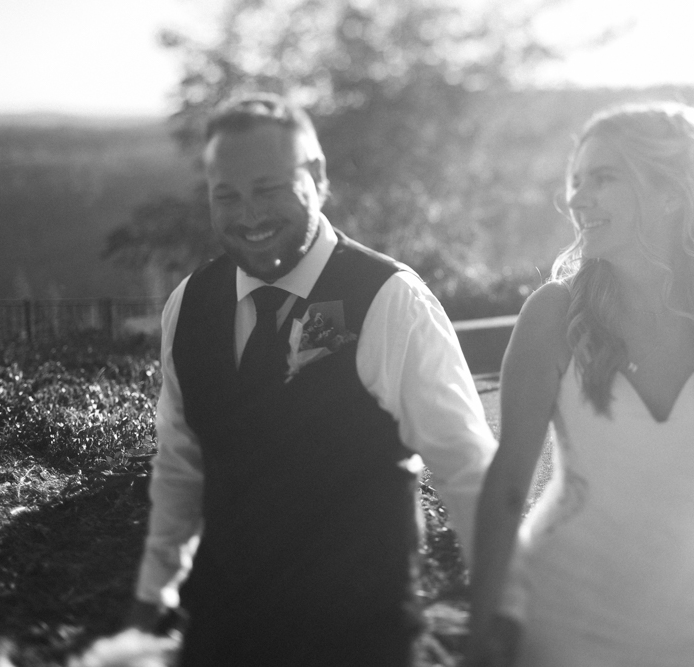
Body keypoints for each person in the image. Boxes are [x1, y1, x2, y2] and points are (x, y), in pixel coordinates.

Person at [127, 93, 496, 666]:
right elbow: (181, 464)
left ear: (318, 175)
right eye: (227, 195)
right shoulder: (190, 304)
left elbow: (467, 469)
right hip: (223, 637)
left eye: (268, 188)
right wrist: (154, 595)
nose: (249, 215)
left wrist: (503, 612)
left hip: (359, 640)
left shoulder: (389, 299)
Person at [466, 101, 694, 667]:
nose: (577, 198)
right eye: (576, 181)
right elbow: (508, 484)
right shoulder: (553, 314)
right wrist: (477, 637)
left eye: (602, 178)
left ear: (670, 192)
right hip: (560, 617)